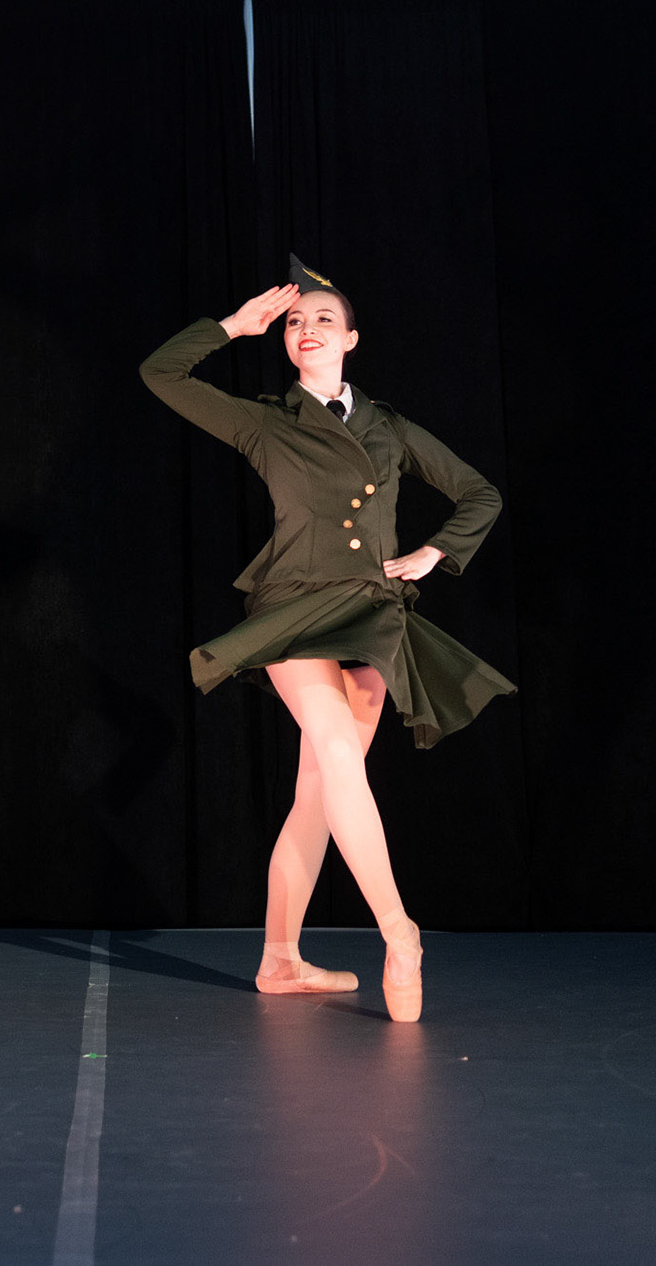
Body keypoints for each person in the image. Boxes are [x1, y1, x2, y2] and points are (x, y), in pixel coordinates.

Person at [139, 255, 514, 1022]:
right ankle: (400, 932)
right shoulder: (267, 421)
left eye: (323, 318)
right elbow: (160, 374)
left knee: (320, 791)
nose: (306, 327)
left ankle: (280, 958)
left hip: (373, 611)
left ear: (350, 337)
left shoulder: (388, 426)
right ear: (282, 338)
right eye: (294, 320)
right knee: (337, 752)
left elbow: (480, 492)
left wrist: (434, 552)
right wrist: (232, 326)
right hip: (295, 608)